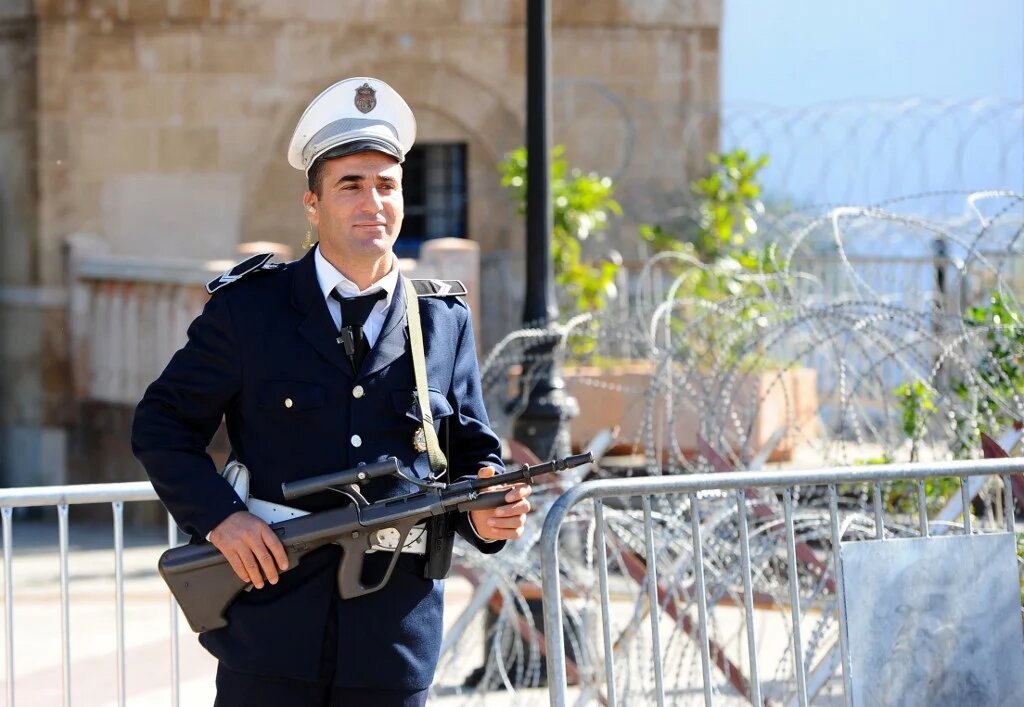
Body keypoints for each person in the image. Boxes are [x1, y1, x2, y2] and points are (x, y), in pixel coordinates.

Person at [131, 76, 532, 707]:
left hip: (392, 639)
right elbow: (161, 424)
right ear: (312, 205)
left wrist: (489, 506)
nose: (372, 201)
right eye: (350, 184)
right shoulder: (251, 311)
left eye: (387, 185)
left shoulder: (442, 320)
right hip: (271, 627)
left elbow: (469, 448)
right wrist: (221, 521)